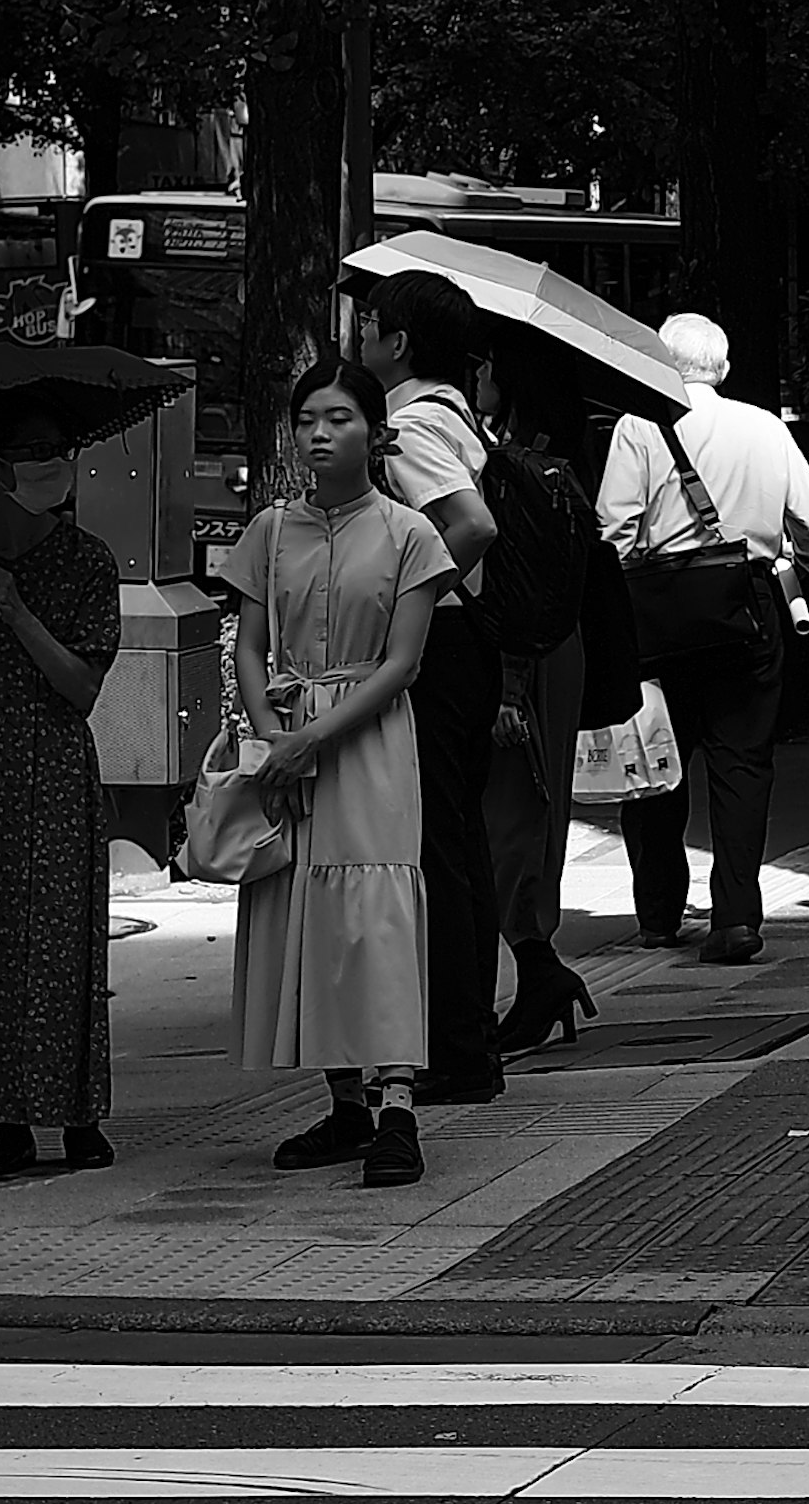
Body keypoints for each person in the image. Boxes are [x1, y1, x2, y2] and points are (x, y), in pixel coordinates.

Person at [208, 356, 453, 1185]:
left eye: (339, 417)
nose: (319, 432)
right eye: (308, 417)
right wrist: (273, 731)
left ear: (375, 433)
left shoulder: (410, 534)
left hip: (371, 742)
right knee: (302, 908)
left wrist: (312, 739)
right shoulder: (269, 532)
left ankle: (397, 1109)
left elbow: (402, 664)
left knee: (375, 914)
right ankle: (345, 1102)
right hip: (287, 739)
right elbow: (246, 644)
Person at [595, 310, 809, 963]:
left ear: (662, 365)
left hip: (660, 613)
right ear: (723, 368)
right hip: (748, 605)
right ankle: (735, 916)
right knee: (742, 764)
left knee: (658, 762)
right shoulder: (764, 426)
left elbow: (613, 531)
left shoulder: (640, 426)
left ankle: (658, 915)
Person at [0, 431, 124, 1177]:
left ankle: (77, 1113)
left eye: (60, 447)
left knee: (60, 940)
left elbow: (81, 687)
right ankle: (8, 1117)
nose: (53, 463)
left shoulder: (88, 561)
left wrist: (17, 608)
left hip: (50, 764)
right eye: (32, 449)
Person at [360, 268, 508, 1107]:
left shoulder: (412, 425)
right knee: (460, 848)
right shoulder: (460, 415)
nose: (359, 337)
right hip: (468, 649)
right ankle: (467, 1040)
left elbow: (472, 525)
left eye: (369, 323)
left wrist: (410, 599)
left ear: (399, 342)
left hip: (443, 649)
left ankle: (455, 1051)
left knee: (439, 854)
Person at [480, 327, 607, 1052]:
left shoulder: (519, 466)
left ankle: (537, 967)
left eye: (490, 364)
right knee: (531, 812)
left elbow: (517, 587)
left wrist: (507, 685)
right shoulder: (558, 458)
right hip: (553, 650)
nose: (480, 376)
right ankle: (539, 969)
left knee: (514, 815)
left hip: (523, 658)